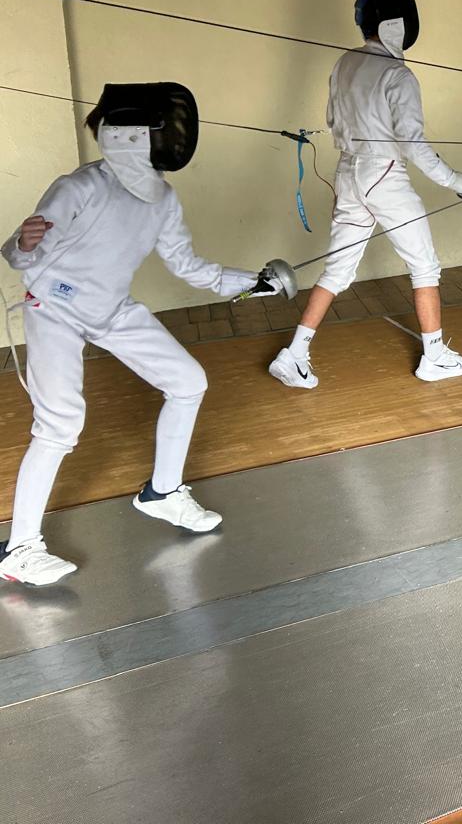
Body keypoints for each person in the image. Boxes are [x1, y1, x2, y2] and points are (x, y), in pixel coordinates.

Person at [1, 83, 288, 587]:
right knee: (60, 425)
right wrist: (22, 244)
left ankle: (162, 492)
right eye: (163, 129)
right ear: (130, 135)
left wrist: (254, 282)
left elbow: (188, 266)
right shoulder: (79, 187)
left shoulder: (163, 199)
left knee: (188, 381)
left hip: (111, 309)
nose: (172, 139)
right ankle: (19, 549)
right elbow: (21, 255)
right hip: (56, 308)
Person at [269, 0, 462, 390]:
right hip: (384, 175)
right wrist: (460, 183)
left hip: (348, 172)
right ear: (398, 24)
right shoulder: (398, 75)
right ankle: (435, 358)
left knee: (336, 270)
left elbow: (333, 121)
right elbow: (414, 146)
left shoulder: (344, 63)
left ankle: (293, 354)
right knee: (425, 266)